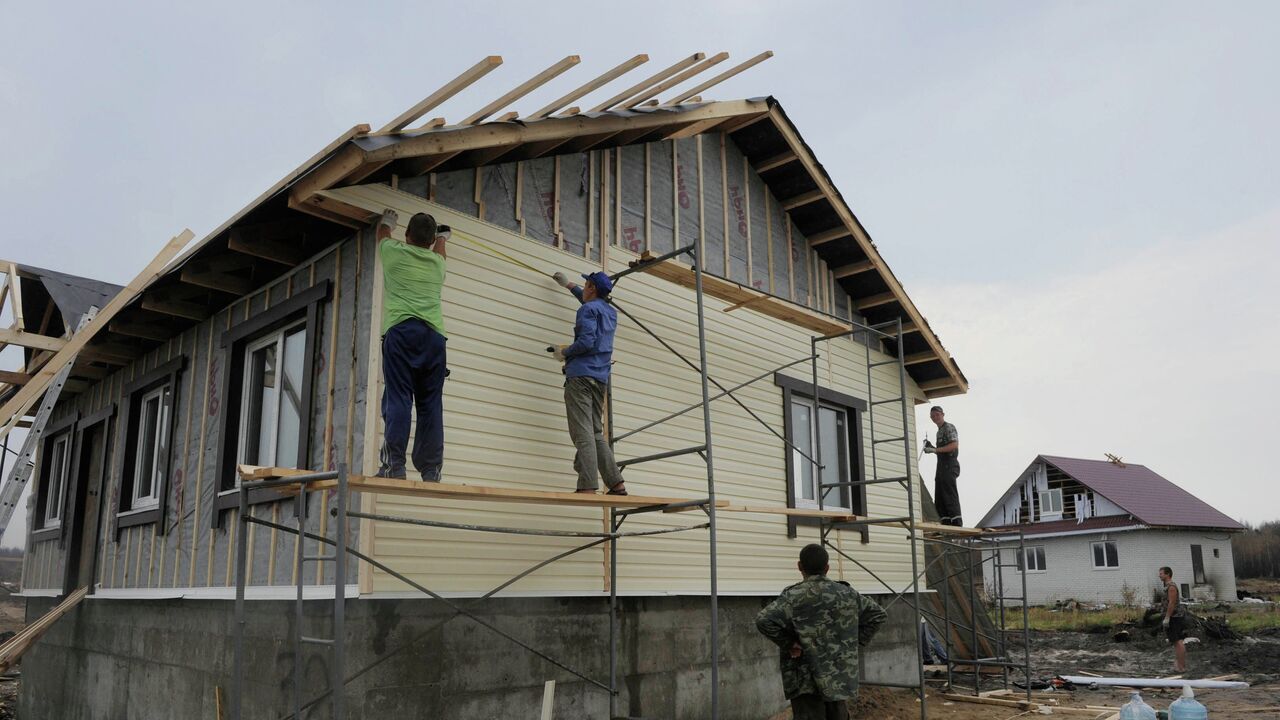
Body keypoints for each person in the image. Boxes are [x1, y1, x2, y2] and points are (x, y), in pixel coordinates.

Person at [755, 544, 887, 720]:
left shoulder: (793, 596)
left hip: (805, 677)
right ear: (827, 568)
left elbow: (763, 620)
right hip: (838, 675)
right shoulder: (846, 593)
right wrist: (853, 645)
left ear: (799, 566)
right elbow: (878, 615)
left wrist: (789, 644)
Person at [375, 209, 449, 482]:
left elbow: (382, 234)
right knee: (430, 404)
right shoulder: (437, 263)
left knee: (399, 398)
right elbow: (441, 251)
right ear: (431, 242)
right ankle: (430, 470)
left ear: (406, 235)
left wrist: (386, 222)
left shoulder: (393, 252)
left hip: (402, 332)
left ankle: (395, 466)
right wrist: (443, 237)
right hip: (433, 338)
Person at [551, 270, 627, 495]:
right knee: (595, 432)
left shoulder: (587, 309)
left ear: (592, 288)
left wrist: (565, 352)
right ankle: (616, 484)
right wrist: (569, 286)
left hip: (581, 378)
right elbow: (592, 305)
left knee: (582, 433)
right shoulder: (609, 312)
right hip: (599, 379)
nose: (583, 288)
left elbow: (586, 341)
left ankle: (587, 485)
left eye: (586, 285)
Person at [923, 405, 961, 526]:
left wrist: (935, 450)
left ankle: (956, 522)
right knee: (939, 494)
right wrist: (931, 447)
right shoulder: (939, 432)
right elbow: (941, 451)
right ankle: (946, 522)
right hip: (941, 465)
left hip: (950, 464)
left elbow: (954, 445)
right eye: (933, 416)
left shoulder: (949, 427)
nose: (935, 417)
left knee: (949, 493)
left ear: (943, 414)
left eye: (937, 415)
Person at [1159, 566, 1189, 672]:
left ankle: (1181, 666)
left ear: (1167, 574)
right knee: (1176, 641)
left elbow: (1172, 603)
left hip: (1174, 617)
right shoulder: (1166, 586)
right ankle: (1179, 665)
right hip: (1172, 616)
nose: (1159, 575)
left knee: (1178, 641)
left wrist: (1167, 617)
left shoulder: (1171, 587)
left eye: (1161, 573)